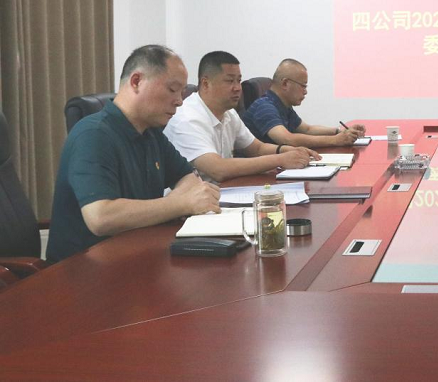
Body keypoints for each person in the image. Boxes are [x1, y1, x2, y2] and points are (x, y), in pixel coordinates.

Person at [47, 45, 221, 263]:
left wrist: (179, 201)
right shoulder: (93, 134)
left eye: (182, 92)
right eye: (172, 90)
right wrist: (181, 204)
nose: (179, 101)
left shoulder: (151, 133)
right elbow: (100, 217)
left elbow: (188, 178)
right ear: (136, 81)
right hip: (85, 268)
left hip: (137, 254)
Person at [164, 51, 320, 182]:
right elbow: (218, 169)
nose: (237, 88)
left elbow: (257, 148)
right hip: (194, 204)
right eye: (230, 81)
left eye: (238, 80)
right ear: (205, 84)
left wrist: (287, 150)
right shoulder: (188, 119)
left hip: (224, 192)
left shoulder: (229, 113)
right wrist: (281, 159)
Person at [242, 59, 366, 148]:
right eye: (303, 86)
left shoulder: (283, 106)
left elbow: (307, 129)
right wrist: (335, 140)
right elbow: (287, 139)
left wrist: (339, 131)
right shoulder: (264, 107)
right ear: (285, 83)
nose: (305, 92)